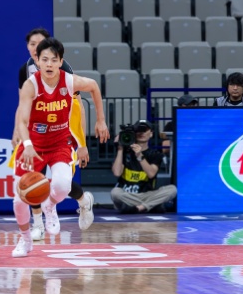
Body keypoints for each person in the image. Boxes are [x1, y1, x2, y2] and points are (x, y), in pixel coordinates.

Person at [11, 37, 106, 258]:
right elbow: (22, 121)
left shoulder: (69, 81)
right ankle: (25, 240)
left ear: (61, 62)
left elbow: (93, 86)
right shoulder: (30, 85)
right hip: (33, 144)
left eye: (54, 60)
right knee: (19, 200)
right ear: (37, 61)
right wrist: (27, 144)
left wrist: (100, 120)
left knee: (63, 185)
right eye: (45, 60)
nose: (49, 64)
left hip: (59, 142)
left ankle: (50, 206)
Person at [111, 120, 176, 214]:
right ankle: (151, 205)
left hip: (147, 194)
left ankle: (139, 208)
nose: (141, 133)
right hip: (127, 195)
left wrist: (139, 156)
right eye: (138, 130)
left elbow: (151, 174)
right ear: (134, 133)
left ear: (151, 134)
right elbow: (117, 173)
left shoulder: (155, 154)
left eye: (144, 130)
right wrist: (120, 149)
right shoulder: (124, 153)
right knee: (115, 193)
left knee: (172, 189)